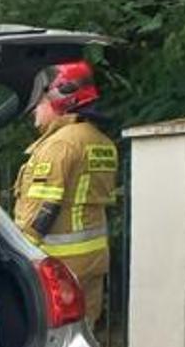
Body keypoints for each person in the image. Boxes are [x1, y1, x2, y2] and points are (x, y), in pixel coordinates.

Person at [12, 61, 117, 323]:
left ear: (61, 99)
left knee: (52, 341)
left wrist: (17, 254)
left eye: (40, 101)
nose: (35, 109)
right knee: (84, 334)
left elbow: (43, 208)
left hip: (59, 265)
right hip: (93, 260)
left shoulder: (60, 144)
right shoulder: (101, 142)